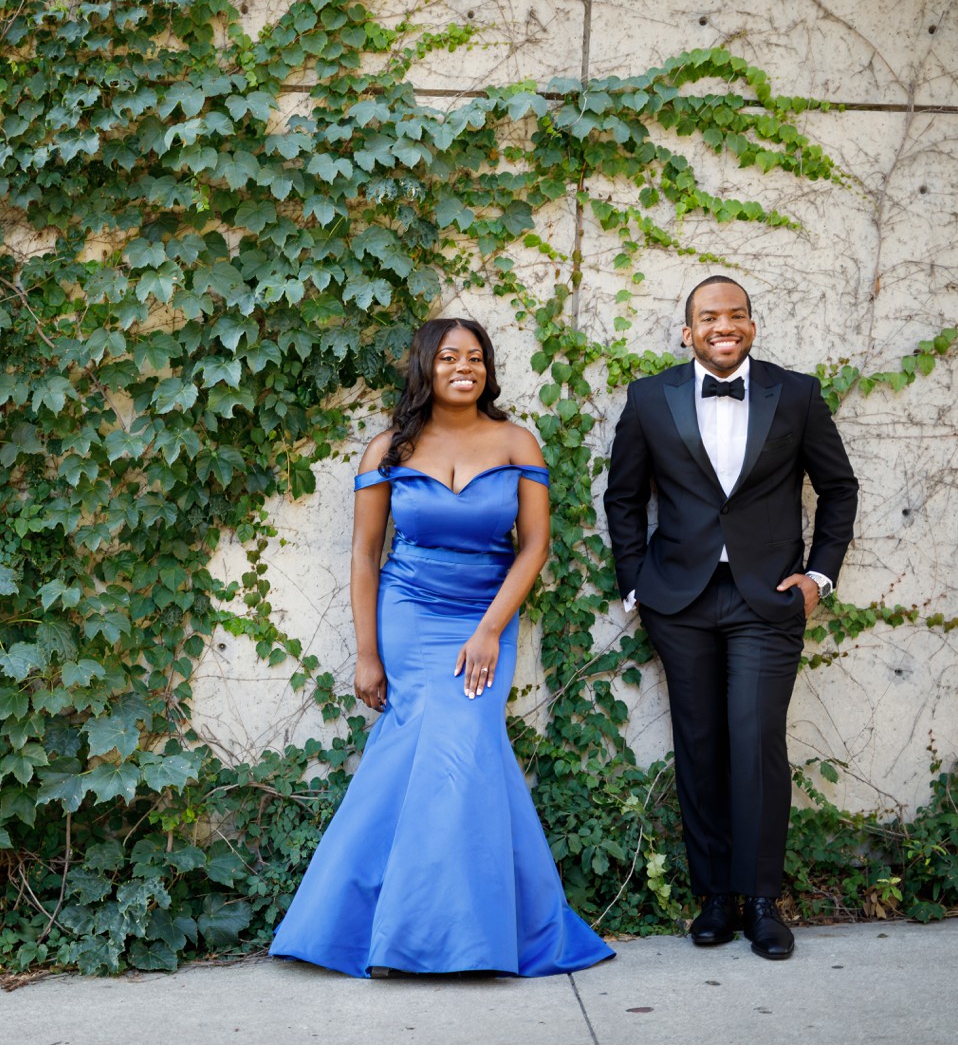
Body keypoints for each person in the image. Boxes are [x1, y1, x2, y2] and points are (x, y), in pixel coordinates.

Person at [269, 317, 614, 978]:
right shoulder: (386, 450)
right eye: (451, 356)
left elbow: (534, 545)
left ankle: (447, 930)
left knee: (465, 741)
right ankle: (400, 930)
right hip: (410, 614)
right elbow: (368, 554)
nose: (465, 366)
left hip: (488, 613)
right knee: (422, 745)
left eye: (476, 356)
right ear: (425, 366)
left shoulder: (517, 441)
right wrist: (368, 653)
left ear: (488, 369)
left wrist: (489, 628)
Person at [603, 276, 859, 961]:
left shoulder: (795, 394)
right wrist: (636, 584)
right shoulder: (650, 397)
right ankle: (714, 895)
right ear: (687, 332)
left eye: (736, 314)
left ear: (751, 324)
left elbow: (839, 488)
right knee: (699, 744)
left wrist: (818, 576)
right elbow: (623, 496)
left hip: (766, 598)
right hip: (678, 600)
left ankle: (761, 900)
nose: (724, 324)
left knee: (755, 741)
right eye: (708, 317)